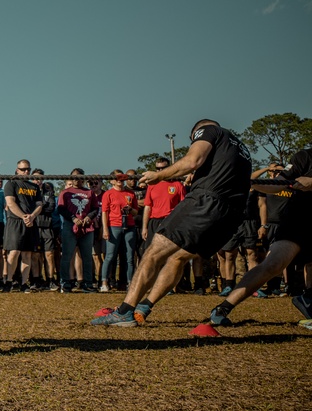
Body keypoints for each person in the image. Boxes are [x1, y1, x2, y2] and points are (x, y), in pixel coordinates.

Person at [92, 119, 252, 326]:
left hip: (206, 203)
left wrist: (159, 176)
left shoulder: (209, 130)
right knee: (178, 257)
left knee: (153, 251)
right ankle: (144, 306)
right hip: (231, 216)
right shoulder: (241, 148)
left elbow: (192, 161)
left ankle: (124, 312)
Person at [209, 152, 312, 326]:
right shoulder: (305, 157)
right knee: (273, 264)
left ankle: (308, 300)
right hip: (299, 222)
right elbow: (278, 183)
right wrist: (251, 183)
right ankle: (223, 308)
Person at [57, 168, 99, 293]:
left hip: (86, 227)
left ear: (83, 178)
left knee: (86, 256)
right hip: (70, 227)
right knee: (67, 256)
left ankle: (88, 283)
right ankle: (65, 283)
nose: (76, 180)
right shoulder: (65, 192)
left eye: (79, 177)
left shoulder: (89, 192)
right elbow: (61, 209)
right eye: (74, 177)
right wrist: (73, 218)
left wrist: (88, 217)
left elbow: (95, 208)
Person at [98, 170, 139, 292]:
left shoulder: (130, 194)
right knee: (110, 255)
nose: (119, 182)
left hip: (129, 226)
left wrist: (130, 209)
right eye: (117, 179)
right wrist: (105, 229)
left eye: (122, 179)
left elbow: (136, 212)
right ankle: (104, 282)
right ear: (111, 181)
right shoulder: (108, 194)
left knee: (129, 257)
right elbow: (105, 212)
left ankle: (130, 283)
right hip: (114, 226)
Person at [3, 160, 42, 292]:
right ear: (17, 170)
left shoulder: (34, 186)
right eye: (23, 169)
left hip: (31, 221)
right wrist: (23, 216)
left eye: (28, 169)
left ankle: (24, 283)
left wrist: (32, 216)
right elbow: (10, 203)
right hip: (16, 221)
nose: (26, 172)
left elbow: (39, 205)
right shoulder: (11, 184)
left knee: (27, 254)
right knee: (14, 252)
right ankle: (9, 281)